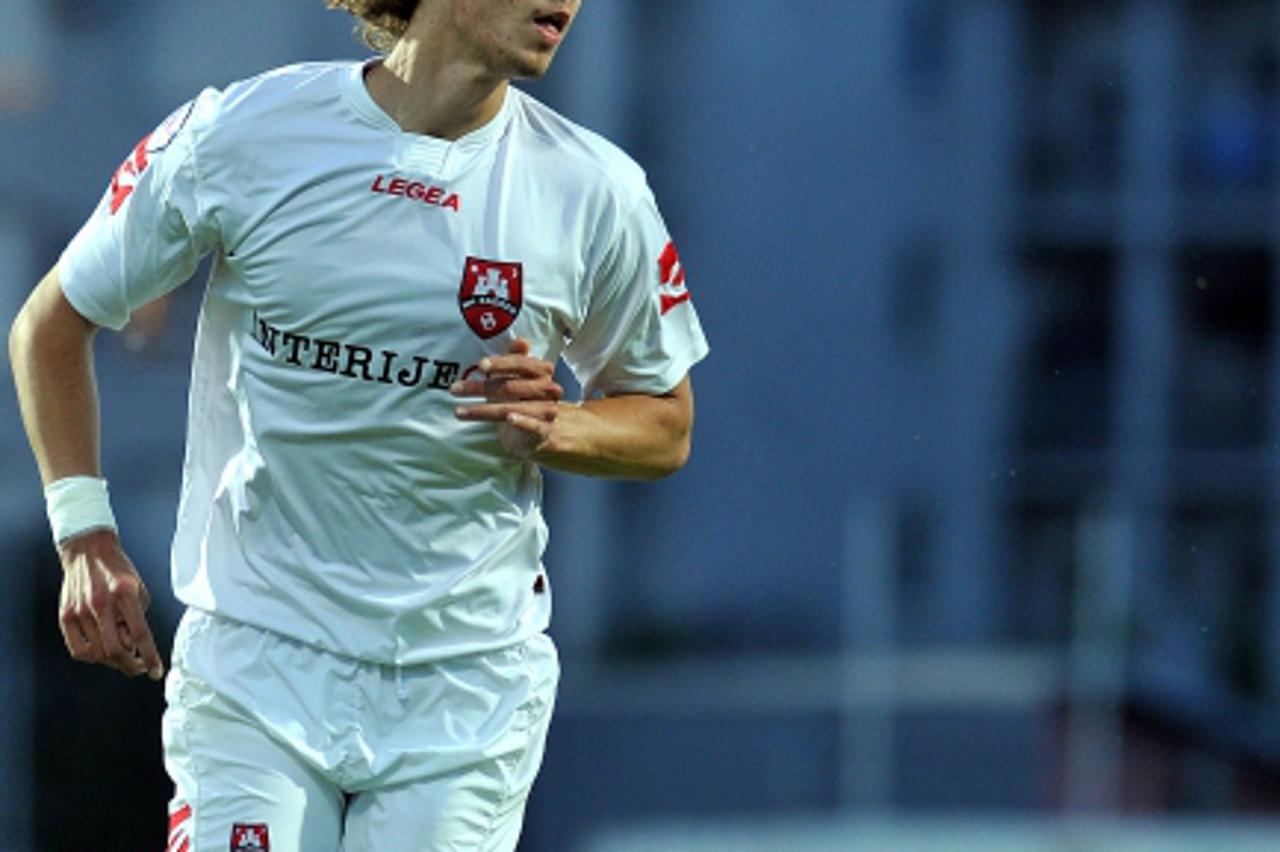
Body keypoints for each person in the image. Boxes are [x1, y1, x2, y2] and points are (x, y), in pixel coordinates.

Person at [7, 0, 708, 849]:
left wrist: (562, 427)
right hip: (257, 660)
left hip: (464, 692)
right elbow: (51, 323)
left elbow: (667, 425)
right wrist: (84, 533)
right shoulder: (243, 132)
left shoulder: (597, 190)